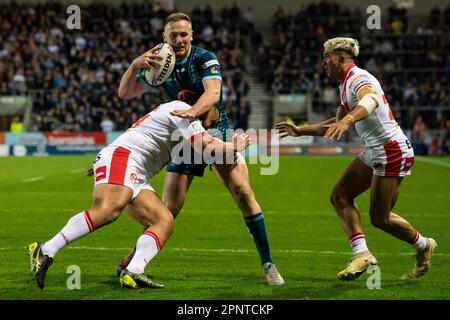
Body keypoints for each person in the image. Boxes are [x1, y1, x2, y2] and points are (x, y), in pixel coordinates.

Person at [117, 12, 284, 286]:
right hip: (184, 138)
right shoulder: (160, 63)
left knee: (243, 192)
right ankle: (136, 260)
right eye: (174, 35)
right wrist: (134, 65)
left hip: (215, 129)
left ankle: (268, 263)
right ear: (165, 38)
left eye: (184, 34)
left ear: (191, 35)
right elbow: (125, 93)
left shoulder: (204, 57)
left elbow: (213, 94)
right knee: (168, 210)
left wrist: (192, 113)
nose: (180, 39)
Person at [27, 100, 250, 290]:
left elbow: (204, 143)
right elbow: (207, 145)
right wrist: (234, 146)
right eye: (215, 114)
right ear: (207, 105)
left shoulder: (188, 120)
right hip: (124, 160)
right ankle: (46, 249)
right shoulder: (182, 110)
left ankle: (133, 271)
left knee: (163, 221)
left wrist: (230, 147)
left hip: (131, 169)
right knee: (108, 211)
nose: (214, 121)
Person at [276, 37, 437, 281]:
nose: (323, 63)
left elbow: (370, 99)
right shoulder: (344, 84)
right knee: (339, 196)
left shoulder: (359, 78)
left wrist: (348, 120)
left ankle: (424, 245)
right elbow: (334, 122)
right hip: (376, 150)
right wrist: (300, 130)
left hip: (391, 150)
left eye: (327, 58)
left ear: (341, 59)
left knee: (380, 219)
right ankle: (362, 254)